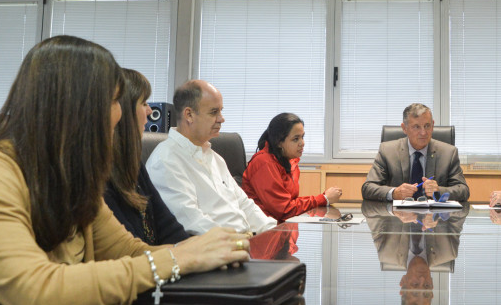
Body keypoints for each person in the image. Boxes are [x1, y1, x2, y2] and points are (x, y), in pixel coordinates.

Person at [0, 36, 251, 305]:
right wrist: (180, 258)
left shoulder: (67, 176)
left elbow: (128, 251)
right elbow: (37, 291)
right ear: (74, 105)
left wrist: (205, 255)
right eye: (113, 100)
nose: (120, 115)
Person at [146, 80, 277, 235]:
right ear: (189, 115)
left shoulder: (215, 157)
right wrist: (240, 241)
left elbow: (244, 204)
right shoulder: (165, 161)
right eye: (214, 112)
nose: (221, 119)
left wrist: (274, 233)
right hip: (216, 250)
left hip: (242, 243)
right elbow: (192, 222)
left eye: (221, 111)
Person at [103, 68, 189, 245]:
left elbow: (169, 227)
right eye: (144, 103)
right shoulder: (100, 173)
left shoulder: (133, 163)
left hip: (159, 263)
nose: (150, 111)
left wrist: (202, 250)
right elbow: (129, 249)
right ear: (125, 111)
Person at [362, 200, 469, 305]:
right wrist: (438, 213)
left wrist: (393, 210)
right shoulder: (448, 251)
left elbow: (368, 209)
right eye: (427, 286)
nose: (423, 279)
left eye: (415, 285)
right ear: (432, 285)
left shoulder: (387, 252)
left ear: (403, 282)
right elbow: (464, 209)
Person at [242, 112, 342, 222]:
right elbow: (284, 209)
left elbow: (291, 202)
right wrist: (323, 199)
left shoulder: (290, 161)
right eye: (296, 139)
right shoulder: (264, 163)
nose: (302, 143)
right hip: (264, 230)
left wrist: (323, 198)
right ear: (279, 142)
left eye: (302, 137)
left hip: (282, 226)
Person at [361, 103, 469, 202]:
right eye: (416, 127)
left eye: (427, 126)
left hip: (434, 219)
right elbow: (368, 188)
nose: (423, 132)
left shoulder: (449, 153)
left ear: (433, 125)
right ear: (404, 128)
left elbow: (463, 190)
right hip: (397, 219)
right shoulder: (387, 151)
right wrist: (394, 193)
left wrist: (439, 191)